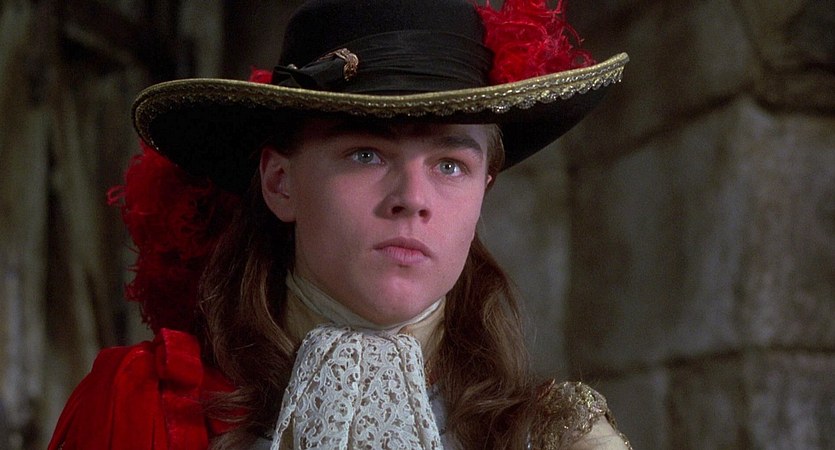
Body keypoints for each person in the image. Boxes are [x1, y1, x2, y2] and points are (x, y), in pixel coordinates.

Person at [49, 0, 631, 449]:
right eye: (365, 154)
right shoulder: (139, 407)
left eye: (450, 165)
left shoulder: (561, 439)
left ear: (484, 189)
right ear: (280, 183)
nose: (412, 199)